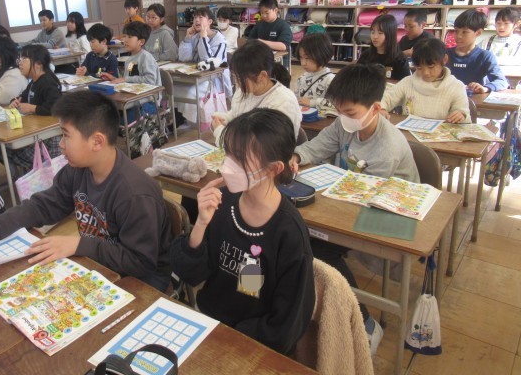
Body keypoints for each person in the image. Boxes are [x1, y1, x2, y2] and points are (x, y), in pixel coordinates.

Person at [0, 90, 172, 291]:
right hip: (100, 263)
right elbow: (41, 206)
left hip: (141, 280)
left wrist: (79, 244)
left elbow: (140, 262)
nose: (61, 144)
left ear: (97, 142)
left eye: (66, 135)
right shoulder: (78, 170)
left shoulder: (134, 194)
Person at [290, 64, 419, 356]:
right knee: (304, 239)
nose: (343, 119)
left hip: (385, 215)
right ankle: (324, 306)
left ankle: (365, 322)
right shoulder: (345, 123)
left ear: (376, 108)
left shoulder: (387, 147)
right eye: (340, 111)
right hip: (348, 203)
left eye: (349, 113)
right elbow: (318, 146)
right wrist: (297, 156)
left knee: (318, 248)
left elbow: (365, 196)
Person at [170, 108, 315, 355]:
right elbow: (190, 274)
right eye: (227, 154)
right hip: (208, 321)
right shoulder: (222, 201)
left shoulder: (289, 233)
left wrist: (234, 338)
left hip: (252, 343)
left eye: (239, 159)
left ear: (273, 169)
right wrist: (201, 224)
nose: (227, 166)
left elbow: (285, 327)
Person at [211, 40, 301, 146]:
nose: (237, 84)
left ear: (262, 76)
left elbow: (257, 148)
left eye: (240, 78)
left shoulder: (283, 102)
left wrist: (220, 131)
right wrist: (224, 119)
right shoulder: (243, 92)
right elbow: (236, 115)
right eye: (235, 77)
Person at [381, 38, 470, 123]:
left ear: (444, 60)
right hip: (409, 132)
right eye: (419, 68)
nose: (426, 73)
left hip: (440, 133)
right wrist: (382, 108)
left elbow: (463, 112)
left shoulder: (456, 87)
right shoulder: (408, 83)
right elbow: (387, 98)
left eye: (431, 67)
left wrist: (460, 115)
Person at [8, 45, 63, 171]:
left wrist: (32, 108)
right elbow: (23, 96)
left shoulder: (48, 82)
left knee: (9, 151)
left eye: (24, 59)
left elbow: (55, 107)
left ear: (38, 64)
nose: (20, 63)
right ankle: (28, 176)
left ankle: (31, 176)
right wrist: (15, 101)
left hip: (49, 139)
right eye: (19, 59)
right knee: (7, 149)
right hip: (37, 133)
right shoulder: (34, 81)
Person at [178, 7, 231, 123]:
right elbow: (183, 58)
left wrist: (203, 38)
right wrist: (187, 39)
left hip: (213, 79)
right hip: (196, 75)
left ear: (210, 21)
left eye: (201, 17)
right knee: (177, 88)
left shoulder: (219, 40)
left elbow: (208, 61)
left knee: (190, 93)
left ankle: (193, 121)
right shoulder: (194, 36)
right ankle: (181, 119)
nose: (197, 20)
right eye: (195, 17)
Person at [447, 9, 508, 93]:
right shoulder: (444, 54)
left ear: (478, 33)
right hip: (446, 97)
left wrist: (486, 88)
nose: (458, 36)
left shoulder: (485, 56)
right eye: (456, 31)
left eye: (465, 32)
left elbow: (501, 81)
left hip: (473, 99)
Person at [100, 22, 160, 87]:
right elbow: (128, 80)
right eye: (124, 36)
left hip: (149, 93)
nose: (125, 40)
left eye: (129, 37)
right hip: (134, 91)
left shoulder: (146, 57)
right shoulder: (129, 60)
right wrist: (113, 79)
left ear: (141, 42)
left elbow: (150, 80)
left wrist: (125, 79)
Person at [358, 14, 410, 80]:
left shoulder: (400, 59)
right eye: (372, 32)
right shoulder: (366, 55)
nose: (375, 36)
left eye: (380, 33)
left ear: (390, 34)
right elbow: (356, 78)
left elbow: (405, 83)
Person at [294, 32, 335, 110]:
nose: (303, 63)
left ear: (321, 55)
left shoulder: (330, 80)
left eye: (307, 58)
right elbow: (298, 95)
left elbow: (335, 104)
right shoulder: (302, 77)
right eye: (301, 58)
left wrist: (311, 102)